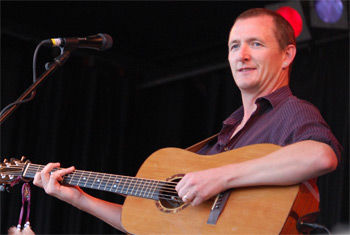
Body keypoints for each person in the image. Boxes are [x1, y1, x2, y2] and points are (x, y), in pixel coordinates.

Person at [33, 8, 342, 233]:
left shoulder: (290, 110)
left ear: (287, 55)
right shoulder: (227, 134)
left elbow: (321, 155)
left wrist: (221, 177)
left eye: (256, 44)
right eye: (234, 46)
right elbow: (151, 225)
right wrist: (79, 198)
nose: (241, 55)